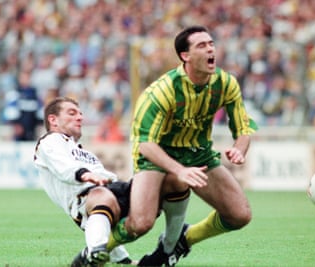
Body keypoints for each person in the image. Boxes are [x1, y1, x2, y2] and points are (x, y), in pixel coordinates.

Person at [107, 25, 258, 266]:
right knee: (140, 224)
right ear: (185, 56)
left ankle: (184, 240)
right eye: (202, 45)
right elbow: (145, 145)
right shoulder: (162, 91)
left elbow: (244, 129)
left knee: (240, 215)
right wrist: (179, 169)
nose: (210, 49)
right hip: (156, 158)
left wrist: (240, 148)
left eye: (211, 43)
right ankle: (98, 250)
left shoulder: (226, 83)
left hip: (199, 156)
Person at [33, 97, 134, 266]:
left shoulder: (84, 153)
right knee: (102, 196)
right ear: (53, 120)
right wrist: (84, 174)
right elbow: (64, 167)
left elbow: (106, 177)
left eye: (80, 114)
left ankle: (168, 245)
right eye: (72, 113)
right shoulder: (49, 141)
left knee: (150, 190)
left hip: (102, 196)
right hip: (83, 201)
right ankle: (94, 252)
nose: (80, 117)